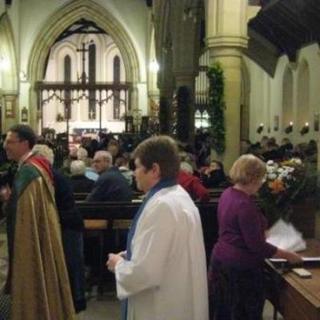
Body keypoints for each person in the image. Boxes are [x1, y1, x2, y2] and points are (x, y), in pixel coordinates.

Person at [107, 135, 209, 320]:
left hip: (161, 306)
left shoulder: (162, 206)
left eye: (137, 167)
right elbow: (167, 252)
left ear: (154, 170)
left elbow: (145, 273)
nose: (134, 173)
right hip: (178, 296)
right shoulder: (179, 196)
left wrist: (119, 264)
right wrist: (132, 253)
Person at [208, 154, 302, 320]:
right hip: (240, 270)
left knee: (224, 312)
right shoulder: (245, 204)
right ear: (252, 178)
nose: (262, 182)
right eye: (261, 177)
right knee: (243, 314)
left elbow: (235, 229)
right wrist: (289, 255)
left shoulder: (228, 194)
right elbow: (257, 246)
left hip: (221, 262)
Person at [2, 125, 75, 319]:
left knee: (31, 275)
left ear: (25, 144)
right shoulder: (35, 166)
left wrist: (9, 204)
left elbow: (26, 216)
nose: (5, 146)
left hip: (28, 238)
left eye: (10, 141)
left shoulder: (29, 173)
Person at [32, 144, 87, 313]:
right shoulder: (55, 175)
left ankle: (76, 301)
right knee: (72, 262)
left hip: (68, 224)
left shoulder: (51, 177)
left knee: (72, 263)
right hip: (70, 222)